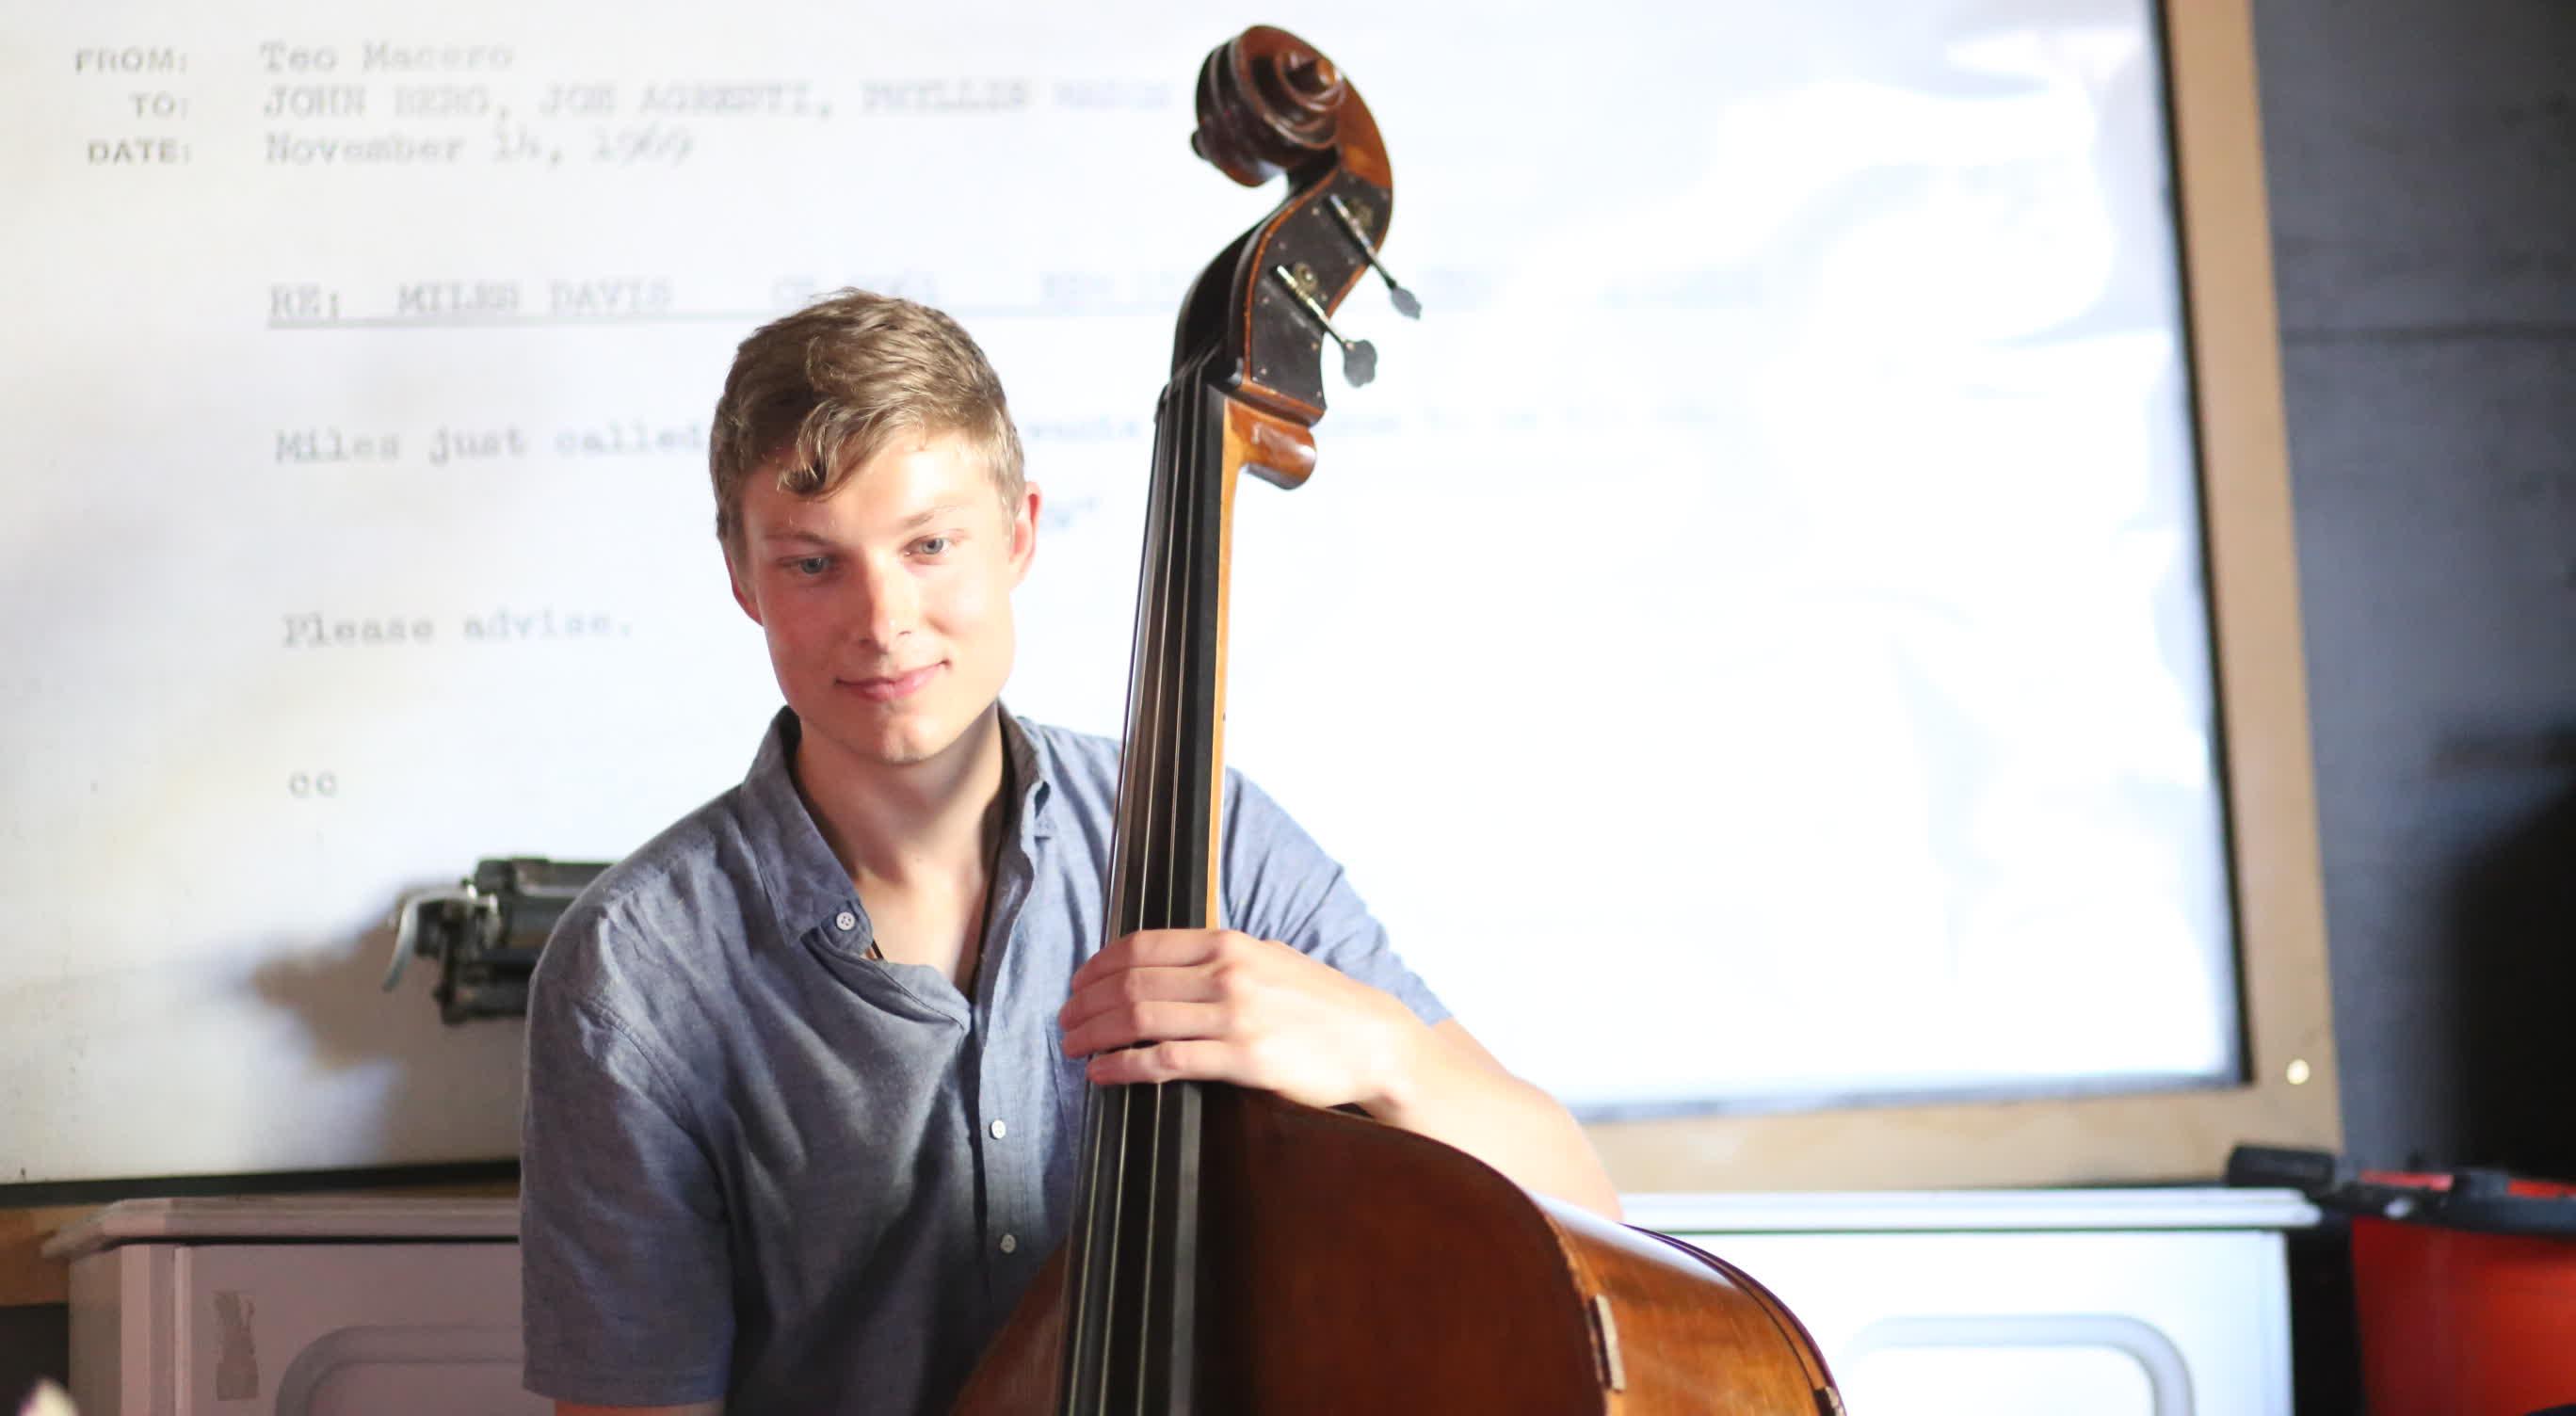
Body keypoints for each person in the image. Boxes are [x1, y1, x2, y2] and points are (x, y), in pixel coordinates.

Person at [518, 289, 1620, 1416]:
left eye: (931, 545)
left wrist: (1387, 1054)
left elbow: (1583, 1210)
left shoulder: (1215, 845)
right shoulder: (635, 972)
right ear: (743, 576)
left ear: (1021, 532)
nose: (884, 618)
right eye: (813, 564)